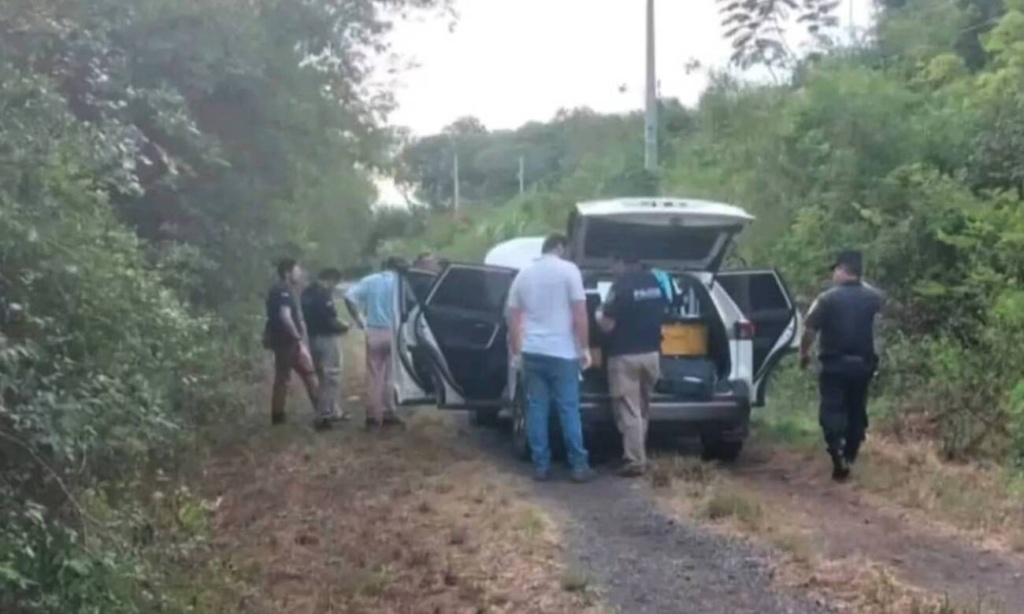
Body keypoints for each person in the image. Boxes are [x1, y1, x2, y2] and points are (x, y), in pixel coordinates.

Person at [506, 234, 595, 483]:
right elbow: (580, 313)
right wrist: (585, 348)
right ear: (560, 247)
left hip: (532, 351)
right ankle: (578, 465)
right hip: (563, 352)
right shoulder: (569, 271)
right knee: (568, 409)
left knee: (537, 408)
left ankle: (541, 466)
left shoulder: (524, 275)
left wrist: (516, 352)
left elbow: (513, 317)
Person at [800, 250, 884, 482]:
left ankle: (837, 452)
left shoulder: (827, 299)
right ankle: (851, 452)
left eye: (836, 269)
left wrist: (804, 353)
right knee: (857, 407)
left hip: (834, 364)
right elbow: (881, 331)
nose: (834, 274)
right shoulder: (876, 298)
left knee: (832, 408)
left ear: (843, 270)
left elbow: (809, 329)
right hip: (863, 365)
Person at [596, 253, 666, 477]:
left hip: (624, 356)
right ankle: (639, 454)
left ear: (622, 263)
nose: (611, 268)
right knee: (642, 408)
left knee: (628, 410)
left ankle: (635, 461)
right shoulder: (654, 282)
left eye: (613, 264)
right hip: (652, 355)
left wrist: (597, 314)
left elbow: (607, 325)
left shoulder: (620, 287)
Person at [345, 257, 404, 429]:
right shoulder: (401, 283)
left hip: (374, 331)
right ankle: (388, 413)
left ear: (384, 266)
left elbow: (349, 297)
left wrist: (358, 319)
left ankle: (371, 416)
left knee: (373, 375)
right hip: (394, 331)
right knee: (391, 375)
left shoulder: (370, 280)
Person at [265, 258, 319, 425]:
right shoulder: (283, 291)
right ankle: (324, 411)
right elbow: (285, 317)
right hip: (288, 341)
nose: (300, 273)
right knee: (308, 373)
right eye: (297, 270)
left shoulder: (278, 289)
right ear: (288, 273)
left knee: (283, 377)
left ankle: (278, 416)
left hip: (280, 340)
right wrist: (298, 338)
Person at [301, 267, 351, 430]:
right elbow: (329, 320)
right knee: (331, 376)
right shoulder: (322, 293)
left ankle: (333, 410)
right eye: (335, 283)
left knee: (323, 376)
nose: (334, 287)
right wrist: (344, 327)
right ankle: (324, 415)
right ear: (331, 279)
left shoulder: (307, 292)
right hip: (327, 338)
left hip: (313, 337)